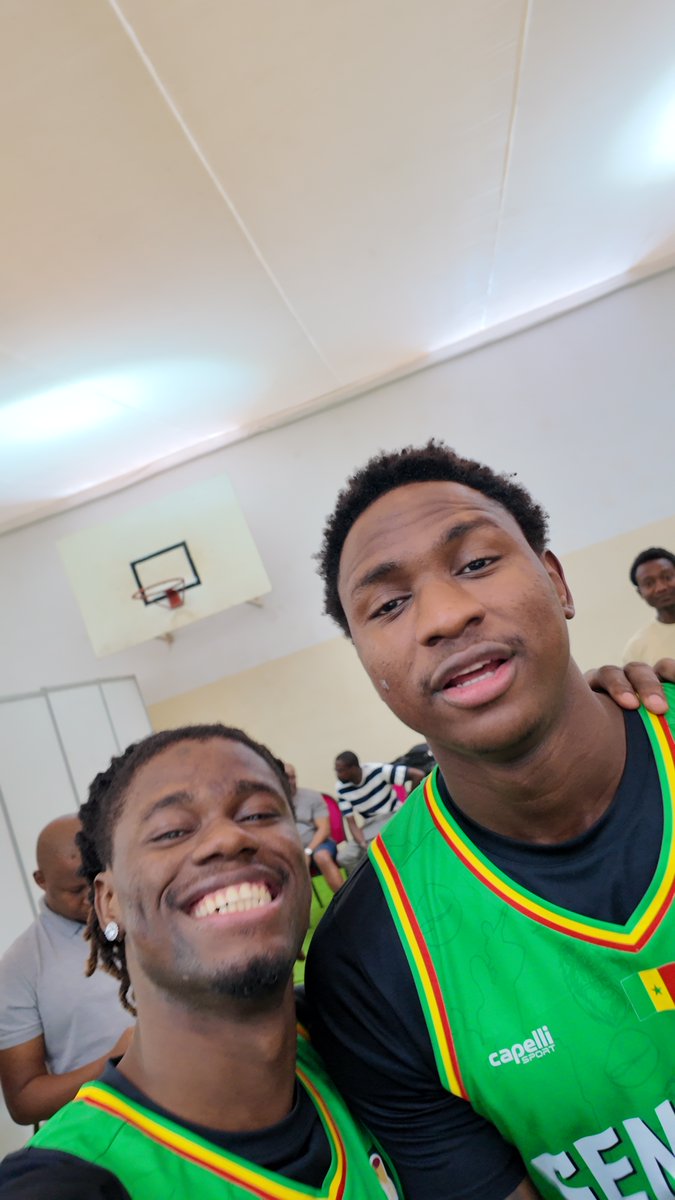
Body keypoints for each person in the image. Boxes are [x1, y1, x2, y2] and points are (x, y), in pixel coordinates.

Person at [306, 440, 675, 1200]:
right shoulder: (367, 959)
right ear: (367, 663)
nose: (445, 615)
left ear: (556, 581)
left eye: (475, 563)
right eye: (388, 605)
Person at [0, 726, 400, 1199]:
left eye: (259, 813)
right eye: (172, 830)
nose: (229, 838)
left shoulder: (361, 1043)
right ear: (108, 903)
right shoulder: (71, 1180)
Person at [0, 815, 133, 1126]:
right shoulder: (18, 970)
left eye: (99, 879)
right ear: (41, 880)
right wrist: (114, 1062)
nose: (95, 898)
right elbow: (24, 1103)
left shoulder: (152, 916)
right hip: (109, 1131)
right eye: (77, 890)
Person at [333, 751, 424, 870]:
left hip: (390, 816)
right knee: (345, 857)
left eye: (340, 770)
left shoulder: (378, 770)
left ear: (353, 768)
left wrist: (408, 806)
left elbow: (417, 774)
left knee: (376, 849)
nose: (337, 775)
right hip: (369, 825)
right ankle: (367, 884)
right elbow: (351, 822)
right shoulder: (341, 787)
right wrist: (362, 844)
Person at [284, 762, 344, 893]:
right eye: (286, 777)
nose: (291, 781)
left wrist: (307, 851)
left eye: (293, 777)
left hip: (318, 844)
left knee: (322, 857)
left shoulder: (312, 797)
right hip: (291, 850)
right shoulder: (274, 803)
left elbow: (324, 829)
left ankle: (347, 900)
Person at [622, 546, 675, 665]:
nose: (661, 588)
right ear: (640, 593)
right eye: (649, 583)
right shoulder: (635, 649)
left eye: (667, 577)